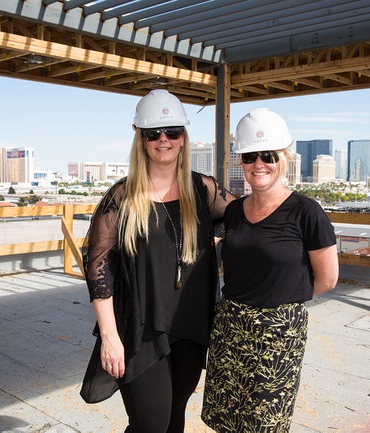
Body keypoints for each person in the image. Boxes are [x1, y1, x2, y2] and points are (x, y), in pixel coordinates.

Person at [80, 89, 234, 433]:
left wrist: (215, 234)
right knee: (150, 424)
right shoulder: (122, 197)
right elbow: (98, 267)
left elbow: (244, 215)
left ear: (183, 138)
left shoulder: (203, 190)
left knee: (174, 417)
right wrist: (109, 336)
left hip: (191, 327)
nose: (163, 140)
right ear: (142, 140)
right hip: (140, 331)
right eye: (154, 133)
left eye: (172, 132)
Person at [201, 108, 339, 432]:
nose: (258, 164)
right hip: (231, 326)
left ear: (284, 158)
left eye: (268, 155)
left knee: (264, 425)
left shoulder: (307, 212)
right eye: (250, 156)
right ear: (241, 161)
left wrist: (281, 303)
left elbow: (328, 279)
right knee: (226, 417)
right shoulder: (233, 211)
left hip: (278, 334)